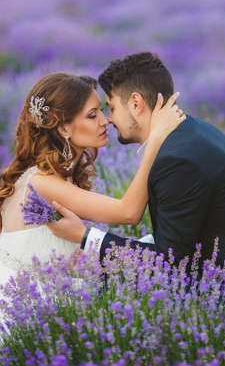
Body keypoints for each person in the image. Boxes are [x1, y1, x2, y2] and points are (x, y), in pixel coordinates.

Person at [49, 52, 225, 279]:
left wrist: (88, 237)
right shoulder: (191, 133)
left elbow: (169, 264)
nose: (108, 119)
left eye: (111, 107)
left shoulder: (177, 160)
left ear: (136, 103)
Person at [0, 72, 185, 291]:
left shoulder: (61, 178)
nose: (105, 120)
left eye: (102, 111)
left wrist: (149, 252)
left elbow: (71, 260)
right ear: (63, 128)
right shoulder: (42, 183)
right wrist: (156, 139)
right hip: (22, 306)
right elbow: (128, 213)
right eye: (92, 115)